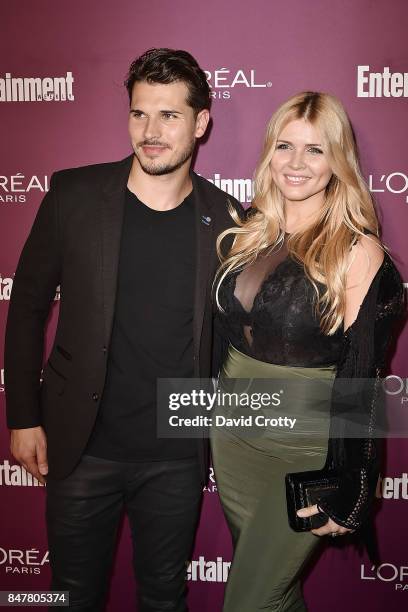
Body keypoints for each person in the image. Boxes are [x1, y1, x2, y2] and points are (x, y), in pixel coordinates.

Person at [5, 48, 240, 612]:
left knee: (164, 598)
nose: (151, 132)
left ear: (201, 122)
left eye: (170, 115)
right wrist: (23, 417)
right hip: (80, 448)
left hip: (176, 456)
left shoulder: (233, 221)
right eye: (140, 114)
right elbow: (27, 308)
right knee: (71, 596)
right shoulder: (74, 196)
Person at [211, 91, 404, 611]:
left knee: (248, 602)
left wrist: (355, 483)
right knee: (275, 594)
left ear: (338, 161)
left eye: (315, 150)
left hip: (300, 452)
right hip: (232, 442)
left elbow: (361, 379)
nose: (296, 163)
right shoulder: (251, 233)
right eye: (285, 145)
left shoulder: (357, 252)